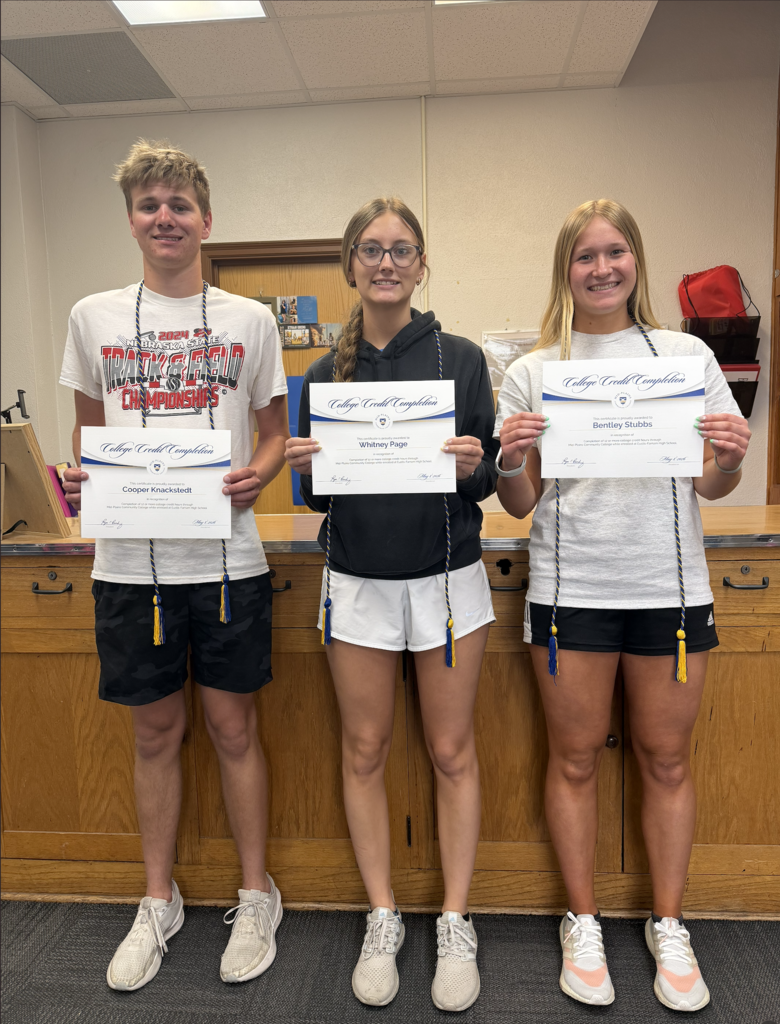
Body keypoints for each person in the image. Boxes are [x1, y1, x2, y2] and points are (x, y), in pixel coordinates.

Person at [495, 199, 750, 1013]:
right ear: (564, 270)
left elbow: (711, 483)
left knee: (666, 760)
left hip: (669, 588)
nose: (600, 268)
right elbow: (519, 505)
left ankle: (667, 926)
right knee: (572, 760)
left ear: (635, 259)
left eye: (613, 253)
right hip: (572, 591)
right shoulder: (535, 370)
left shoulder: (683, 356)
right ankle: (583, 920)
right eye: (583, 256)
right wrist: (511, 459)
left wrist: (729, 459)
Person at [59, 139, 289, 991]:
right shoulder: (93, 317)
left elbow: (270, 436)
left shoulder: (249, 322)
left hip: (227, 560)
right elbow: (88, 432)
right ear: (131, 220)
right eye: (150, 204)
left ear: (205, 219)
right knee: (154, 734)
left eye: (179, 205)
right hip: (130, 566)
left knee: (234, 730)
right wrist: (85, 476)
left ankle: (256, 892)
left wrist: (257, 475)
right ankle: (158, 899)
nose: (165, 217)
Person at [284, 197, 498, 1012]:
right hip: (359, 584)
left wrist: (474, 461)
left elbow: (484, 479)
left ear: (419, 263)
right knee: (364, 750)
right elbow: (314, 500)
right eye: (370, 249)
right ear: (350, 264)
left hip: (446, 579)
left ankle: (452, 918)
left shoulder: (462, 357)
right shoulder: (319, 375)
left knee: (451, 752)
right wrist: (304, 468)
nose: (385, 262)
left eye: (400, 249)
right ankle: (383, 915)